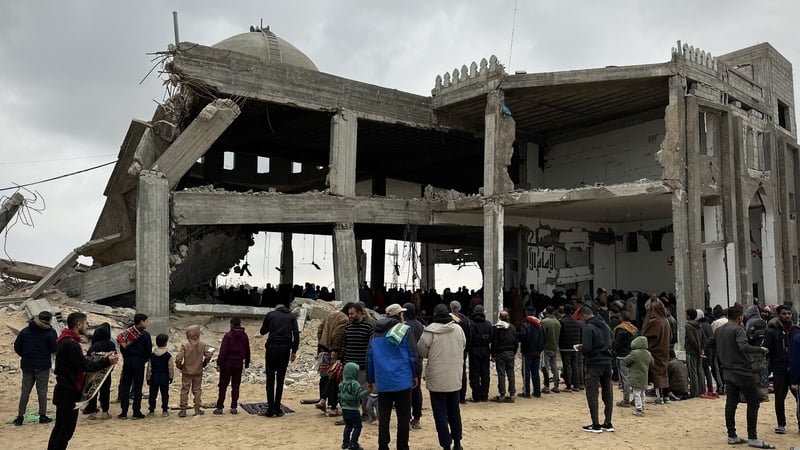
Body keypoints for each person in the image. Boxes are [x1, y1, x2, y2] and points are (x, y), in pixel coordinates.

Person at [47, 312, 118, 450]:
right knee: (66, 430)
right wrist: (105, 361)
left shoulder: (67, 341)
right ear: (78, 324)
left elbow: (82, 362)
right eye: (85, 323)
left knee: (60, 428)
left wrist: (102, 359)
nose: (87, 326)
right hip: (68, 391)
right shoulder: (70, 344)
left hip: (65, 389)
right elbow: (84, 366)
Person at [711, 306, 774, 448]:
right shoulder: (738, 329)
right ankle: (753, 437)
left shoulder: (720, 330)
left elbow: (710, 343)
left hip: (727, 371)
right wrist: (760, 349)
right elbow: (743, 347)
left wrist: (723, 351)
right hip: (742, 371)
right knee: (754, 402)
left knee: (731, 404)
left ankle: (731, 435)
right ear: (740, 317)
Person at [367, 303, 418, 450]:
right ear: (399, 315)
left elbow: (369, 358)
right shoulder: (404, 331)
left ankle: (383, 446)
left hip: (383, 383)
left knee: (384, 418)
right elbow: (412, 355)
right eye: (402, 313)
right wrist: (415, 374)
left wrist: (371, 379)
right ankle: (402, 447)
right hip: (402, 381)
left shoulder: (374, 334)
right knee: (403, 418)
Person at [419, 303, 467, 450]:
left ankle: (445, 445)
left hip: (437, 378)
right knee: (454, 411)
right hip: (454, 377)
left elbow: (422, 352)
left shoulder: (429, 332)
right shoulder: (458, 329)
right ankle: (457, 442)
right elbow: (463, 345)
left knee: (440, 414)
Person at [13, 310, 57, 426]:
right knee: (42, 391)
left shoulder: (25, 331)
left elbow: (17, 347)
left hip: (27, 365)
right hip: (42, 366)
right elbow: (54, 348)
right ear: (49, 320)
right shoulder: (49, 332)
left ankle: (20, 417)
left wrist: (25, 355)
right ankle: (42, 416)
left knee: (25, 391)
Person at [763, 304, 800, 434]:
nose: (787, 316)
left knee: (799, 398)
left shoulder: (796, 330)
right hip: (779, 370)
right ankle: (781, 424)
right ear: (779, 315)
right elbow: (766, 350)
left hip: (795, 370)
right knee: (779, 398)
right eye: (784, 314)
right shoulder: (772, 331)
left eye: (789, 314)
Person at [578, 306, 615, 433]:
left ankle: (596, 424)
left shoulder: (588, 327)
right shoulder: (605, 325)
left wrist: (580, 348)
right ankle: (608, 423)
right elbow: (611, 341)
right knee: (608, 392)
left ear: (585, 316)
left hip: (594, 363)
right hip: (607, 362)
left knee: (592, 393)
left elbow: (587, 348)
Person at [260, 303, 300, 417]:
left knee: (270, 378)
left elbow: (263, 331)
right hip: (285, 349)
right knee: (280, 379)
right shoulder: (292, 316)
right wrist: (294, 351)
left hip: (272, 348)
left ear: (276, 308)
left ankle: (270, 409)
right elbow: (296, 334)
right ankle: (277, 408)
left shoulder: (271, 315)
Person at [117, 313, 151, 420]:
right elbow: (148, 351)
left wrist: (126, 357)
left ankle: (124, 412)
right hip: (139, 362)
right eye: (146, 321)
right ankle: (136, 412)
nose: (147, 323)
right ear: (141, 322)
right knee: (137, 387)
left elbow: (122, 347)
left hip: (127, 361)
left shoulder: (127, 333)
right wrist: (144, 360)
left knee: (125, 386)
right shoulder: (145, 335)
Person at [214, 317, 251, 415]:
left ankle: (220, 407)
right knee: (236, 386)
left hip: (227, 363)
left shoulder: (228, 336)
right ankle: (234, 407)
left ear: (231, 324)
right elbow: (247, 349)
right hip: (238, 363)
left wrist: (219, 363)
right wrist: (247, 362)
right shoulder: (244, 336)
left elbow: (223, 351)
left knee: (223, 385)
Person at [175, 324, 212, 417]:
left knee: (184, 390)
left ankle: (183, 410)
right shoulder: (203, 344)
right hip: (198, 371)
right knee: (197, 390)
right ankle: (197, 409)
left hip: (187, 371)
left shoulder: (185, 345)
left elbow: (179, 358)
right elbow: (208, 355)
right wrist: (204, 363)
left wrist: (180, 366)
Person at [84, 322, 117, 420]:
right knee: (105, 392)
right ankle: (105, 412)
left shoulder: (95, 346)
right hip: (107, 373)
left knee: (94, 390)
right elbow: (115, 356)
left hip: (95, 372)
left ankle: (93, 412)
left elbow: (89, 358)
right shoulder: (111, 344)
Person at [642, 301, 671, 404]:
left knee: (657, 374)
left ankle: (659, 397)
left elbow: (646, 333)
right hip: (665, 350)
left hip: (655, 350)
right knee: (664, 372)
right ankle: (666, 395)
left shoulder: (655, 322)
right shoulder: (666, 321)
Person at [403, 302, 425, 429]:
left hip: (406, 361)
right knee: (417, 389)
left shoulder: (404, 326)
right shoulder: (419, 325)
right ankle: (417, 418)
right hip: (419, 360)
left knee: (406, 391)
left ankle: (407, 418)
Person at [339, 362, 370, 450]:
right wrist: (368, 391)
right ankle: (353, 443)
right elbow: (359, 395)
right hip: (353, 409)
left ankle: (345, 443)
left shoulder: (342, 383)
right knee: (358, 426)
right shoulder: (355, 384)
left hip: (344, 409)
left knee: (348, 426)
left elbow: (339, 396)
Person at [491, 310, 517, 402]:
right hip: (510, 352)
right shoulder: (512, 328)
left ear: (499, 317)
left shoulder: (496, 328)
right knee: (511, 374)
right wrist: (514, 352)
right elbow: (516, 341)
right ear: (508, 317)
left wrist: (493, 354)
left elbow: (494, 342)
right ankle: (512, 393)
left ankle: (502, 394)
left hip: (500, 353)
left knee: (501, 374)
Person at [518, 306, 545, 398]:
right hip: (537, 351)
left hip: (527, 351)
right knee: (535, 372)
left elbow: (522, 337)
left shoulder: (525, 324)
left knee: (526, 372)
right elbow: (544, 337)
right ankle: (537, 391)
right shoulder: (540, 324)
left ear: (526, 312)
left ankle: (526, 392)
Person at [623, 335, 653, 416]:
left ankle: (638, 408)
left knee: (636, 393)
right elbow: (652, 362)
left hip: (635, 376)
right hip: (644, 376)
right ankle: (642, 406)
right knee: (642, 393)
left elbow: (626, 361)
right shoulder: (648, 353)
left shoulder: (634, 353)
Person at [612, 311, 637, 407]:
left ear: (621, 318)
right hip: (633, 354)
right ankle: (636, 398)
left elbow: (617, 344)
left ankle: (626, 400)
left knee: (624, 378)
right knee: (633, 377)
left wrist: (614, 350)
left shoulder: (620, 329)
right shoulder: (633, 329)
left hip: (622, 356)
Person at [468, 305, 492, 402]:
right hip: (485, 350)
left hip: (474, 350)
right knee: (485, 374)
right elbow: (491, 337)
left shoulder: (472, 324)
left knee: (474, 374)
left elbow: (470, 338)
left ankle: (476, 396)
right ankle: (484, 395)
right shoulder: (488, 324)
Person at [146, 333, 174, 417]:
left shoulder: (152, 355)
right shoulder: (168, 355)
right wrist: (171, 377)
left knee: (152, 394)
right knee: (165, 394)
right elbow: (170, 367)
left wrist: (148, 377)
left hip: (154, 376)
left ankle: (151, 410)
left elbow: (149, 367)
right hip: (164, 376)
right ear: (165, 343)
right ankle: (165, 410)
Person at [559, 304, 583, 392]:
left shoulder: (562, 322)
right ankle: (576, 385)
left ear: (564, 311)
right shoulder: (577, 322)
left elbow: (560, 335)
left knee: (567, 366)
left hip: (565, 347)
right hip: (575, 346)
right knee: (575, 365)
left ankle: (568, 385)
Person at [685, 308, 706, 398]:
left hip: (692, 351)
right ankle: (702, 390)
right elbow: (704, 339)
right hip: (699, 350)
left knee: (692, 371)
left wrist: (698, 350)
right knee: (700, 370)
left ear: (689, 316)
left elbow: (692, 339)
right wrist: (702, 349)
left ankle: (695, 391)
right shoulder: (699, 326)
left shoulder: (688, 326)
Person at [541, 306, 561, 394]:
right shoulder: (558, 322)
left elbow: (542, 334)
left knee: (545, 366)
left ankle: (546, 386)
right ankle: (556, 385)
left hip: (546, 346)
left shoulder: (544, 322)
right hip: (555, 346)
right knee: (554, 367)